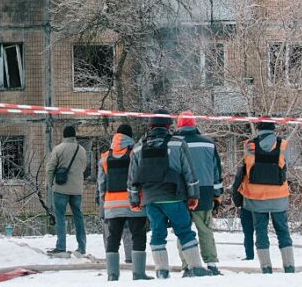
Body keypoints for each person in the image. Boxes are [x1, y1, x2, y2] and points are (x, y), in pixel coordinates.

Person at [128, 109, 209, 278]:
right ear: (169, 125)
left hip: (151, 199)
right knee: (184, 231)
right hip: (174, 196)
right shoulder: (177, 143)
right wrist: (193, 196)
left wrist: (134, 200)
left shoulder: (138, 147)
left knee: (157, 233)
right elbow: (189, 172)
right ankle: (196, 268)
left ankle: (162, 271)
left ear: (150, 126)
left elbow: (132, 177)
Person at [235, 121, 295, 274]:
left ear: (258, 129)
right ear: (273, 129)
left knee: (261, 231)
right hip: (279, 197)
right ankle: (289, 266)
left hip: (256, 197)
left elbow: (246, 168)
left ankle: (266, 267)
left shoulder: (249, 145)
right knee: (283, 231)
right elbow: (286, 165)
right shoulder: (283, 145)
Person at [97, 124, 150, 281]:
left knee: (113, 238)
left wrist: (105, 200)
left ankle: (112, 274)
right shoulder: (135, 153)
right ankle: (138, 273)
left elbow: (101, 183)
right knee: (138, 236)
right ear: (130, 137)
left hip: (112, 205)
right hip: (134, 204)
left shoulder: (105, 157)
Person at [175, 111, 223, 276]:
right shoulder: (208, 143)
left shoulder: (174, 143)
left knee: (183, 230)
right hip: (205, 191)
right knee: (205, 229)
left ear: (178, 125)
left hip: (182, 193)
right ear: (194, 124)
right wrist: (217, 194)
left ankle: (188, 266)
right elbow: (216, 171)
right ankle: (211, 264)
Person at [45, 126, 88, 257]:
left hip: (61, 188)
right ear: (74, 136)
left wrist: (50, 184)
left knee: (60, 217)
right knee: (78, 217)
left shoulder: (58, 149)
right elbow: (84, 168)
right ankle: (82, 247)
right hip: (77, 189)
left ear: (64, 135)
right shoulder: (82, 150)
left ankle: (61, 247)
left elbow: (50, 168)